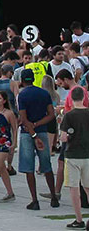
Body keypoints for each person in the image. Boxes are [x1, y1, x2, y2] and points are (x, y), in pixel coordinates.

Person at [17, 67, 58, 210]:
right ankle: (54, 196)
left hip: (27, 133)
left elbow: (23, 118)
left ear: (22, 81)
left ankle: (34, 200)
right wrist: (38, 124)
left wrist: (32, 132)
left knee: (29, 168)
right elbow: (51, 114)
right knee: (46, 165)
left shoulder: (22, 95)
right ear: (34, 79)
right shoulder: (44, 93)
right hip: (42, 130)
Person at [61, 86, 89, 228]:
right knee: (88, 187)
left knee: (74, 188)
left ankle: (79, 219)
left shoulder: (69, 115)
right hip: (87, 154)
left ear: (71, 98)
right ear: (84, 97)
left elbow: (64, 137)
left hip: (72, 154)